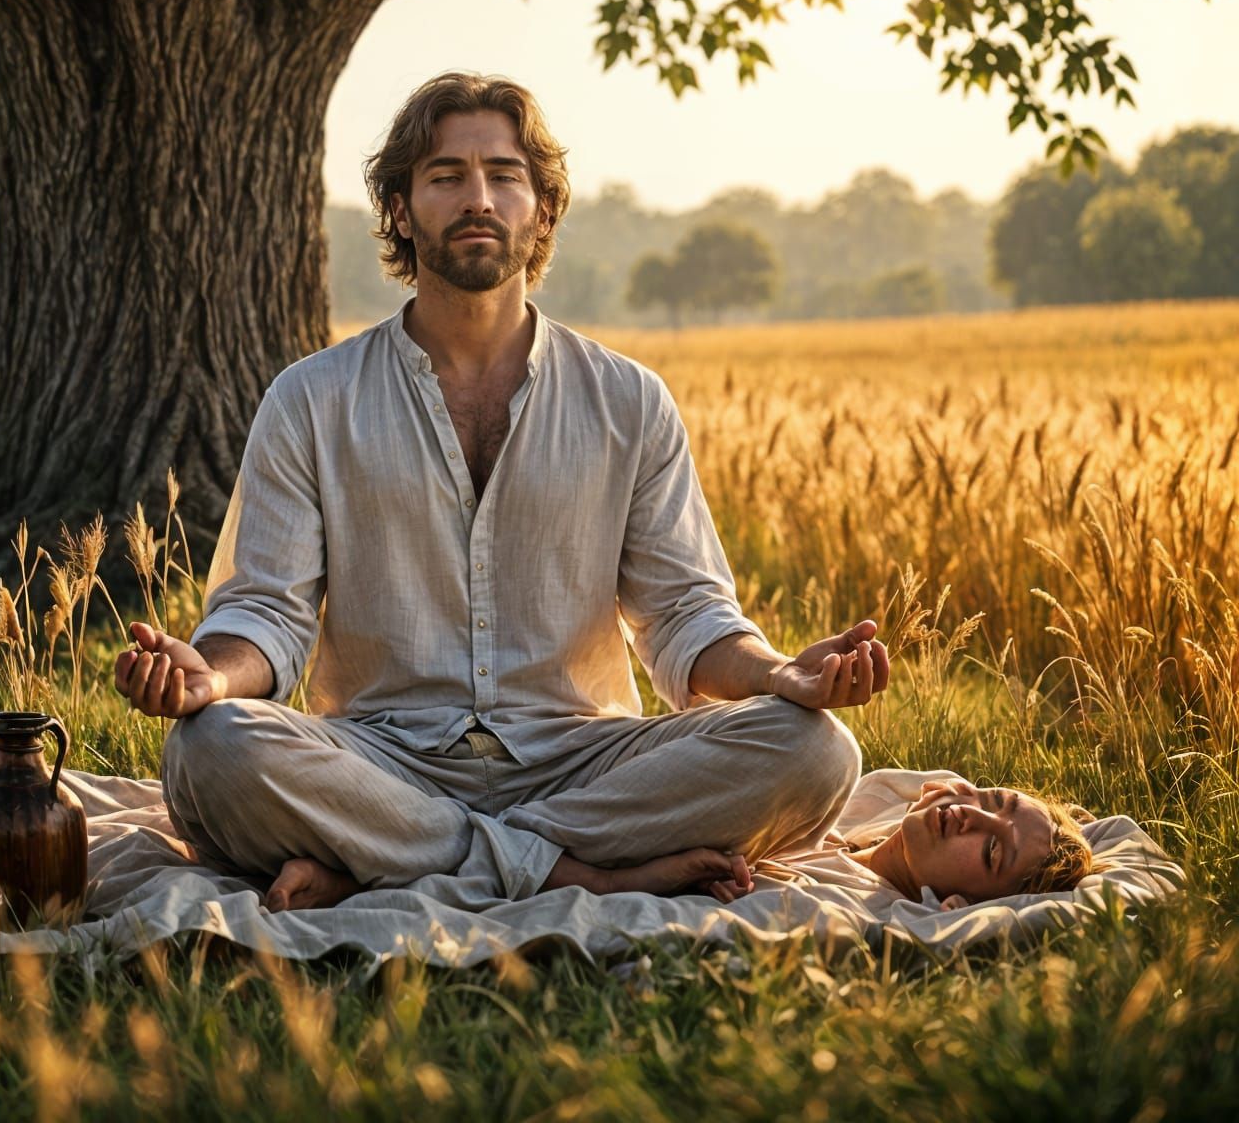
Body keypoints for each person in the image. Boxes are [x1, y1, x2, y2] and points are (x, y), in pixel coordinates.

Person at [115, 71, 891, 914]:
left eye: (504, 176)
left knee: (816, 752)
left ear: (542, 210)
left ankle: (394, 861)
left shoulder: (628, 401)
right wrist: (210, 681)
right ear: (403, 212)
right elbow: (267, 611)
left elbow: (684, 619)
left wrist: (782, 676)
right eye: (446, 176)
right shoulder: (312, 398)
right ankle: (569, 870)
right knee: (212, 750)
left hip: (582, 760)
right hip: (380, 760)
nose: (476, 198)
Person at [702, 776, 1101, 910]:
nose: (973, 816)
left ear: (959, 906)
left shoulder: (837, 903)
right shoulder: (863, 809)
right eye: (993, 798)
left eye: (991, 850)